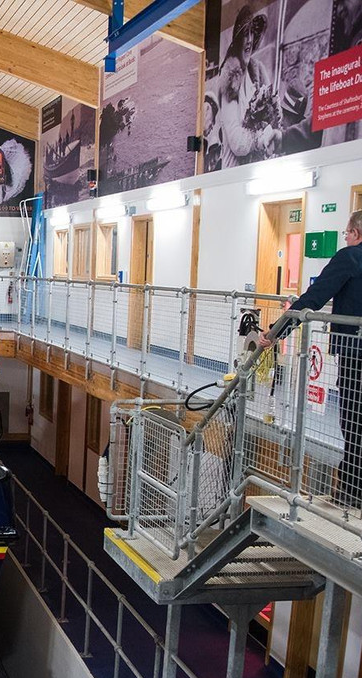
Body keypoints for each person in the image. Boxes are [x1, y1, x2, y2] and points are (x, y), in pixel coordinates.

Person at [260, 211, 362, 505]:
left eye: (345, 233)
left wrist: (276, 332)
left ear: (354, 233)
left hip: (356, 354)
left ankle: (352, 494)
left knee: (354, 423)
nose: (345, 237)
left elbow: (313, 298)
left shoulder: (350, 257)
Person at [217, 5, 280, 168]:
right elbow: (237, 142)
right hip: (235, 172)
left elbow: (274, 113)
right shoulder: (230, 77)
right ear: (237, 40)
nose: (250, 40)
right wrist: (260, 138)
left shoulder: (258, 71)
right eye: (245, 34)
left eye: (253, 32)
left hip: (258, 167)